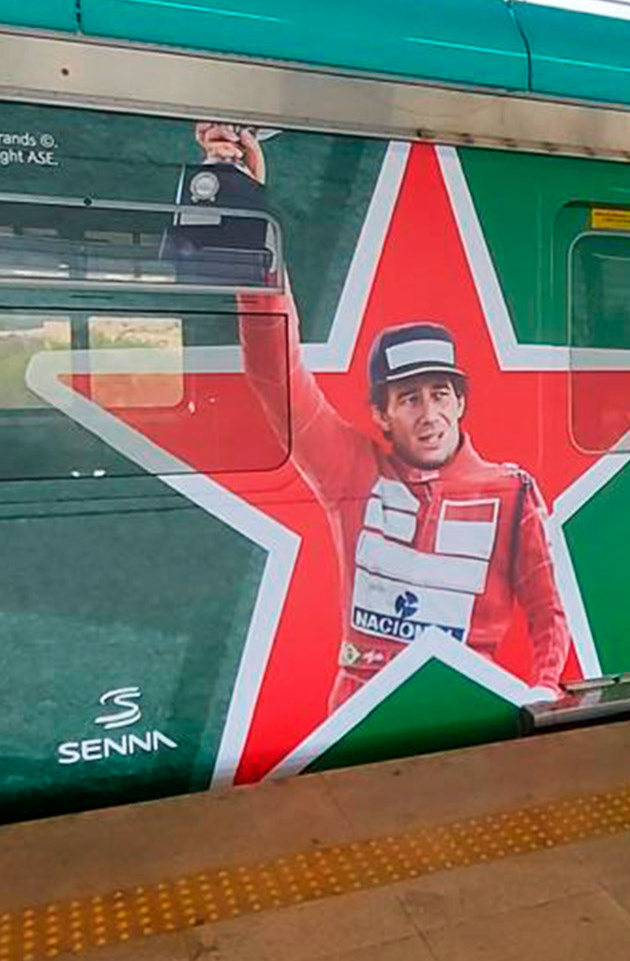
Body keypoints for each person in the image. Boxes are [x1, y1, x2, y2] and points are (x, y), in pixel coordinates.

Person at [182, 123, 571, 711]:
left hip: (470, 705)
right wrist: (250, 221)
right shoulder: (352, 469)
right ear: (382, 414)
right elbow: (273, 372)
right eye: (409, 398)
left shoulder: (513, 492)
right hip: (356, 711)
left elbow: (547, 611)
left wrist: (543, 687)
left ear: (461, 402)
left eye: (440, 394)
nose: (430, 414)